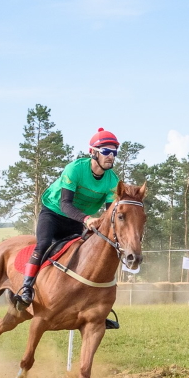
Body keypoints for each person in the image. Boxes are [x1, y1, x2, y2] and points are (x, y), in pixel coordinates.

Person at [15, 128, 121, 307]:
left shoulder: (113, 181)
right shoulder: (75, 169)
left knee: (84, 252)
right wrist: (87, 219)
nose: (111, 156)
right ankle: (26, 289)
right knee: (43, 245)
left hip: (75, 221)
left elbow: (109, 213)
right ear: (93, 153)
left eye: (114, 152)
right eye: (106, 151)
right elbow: (65, 204)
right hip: (54, 213)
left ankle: (93, 306)